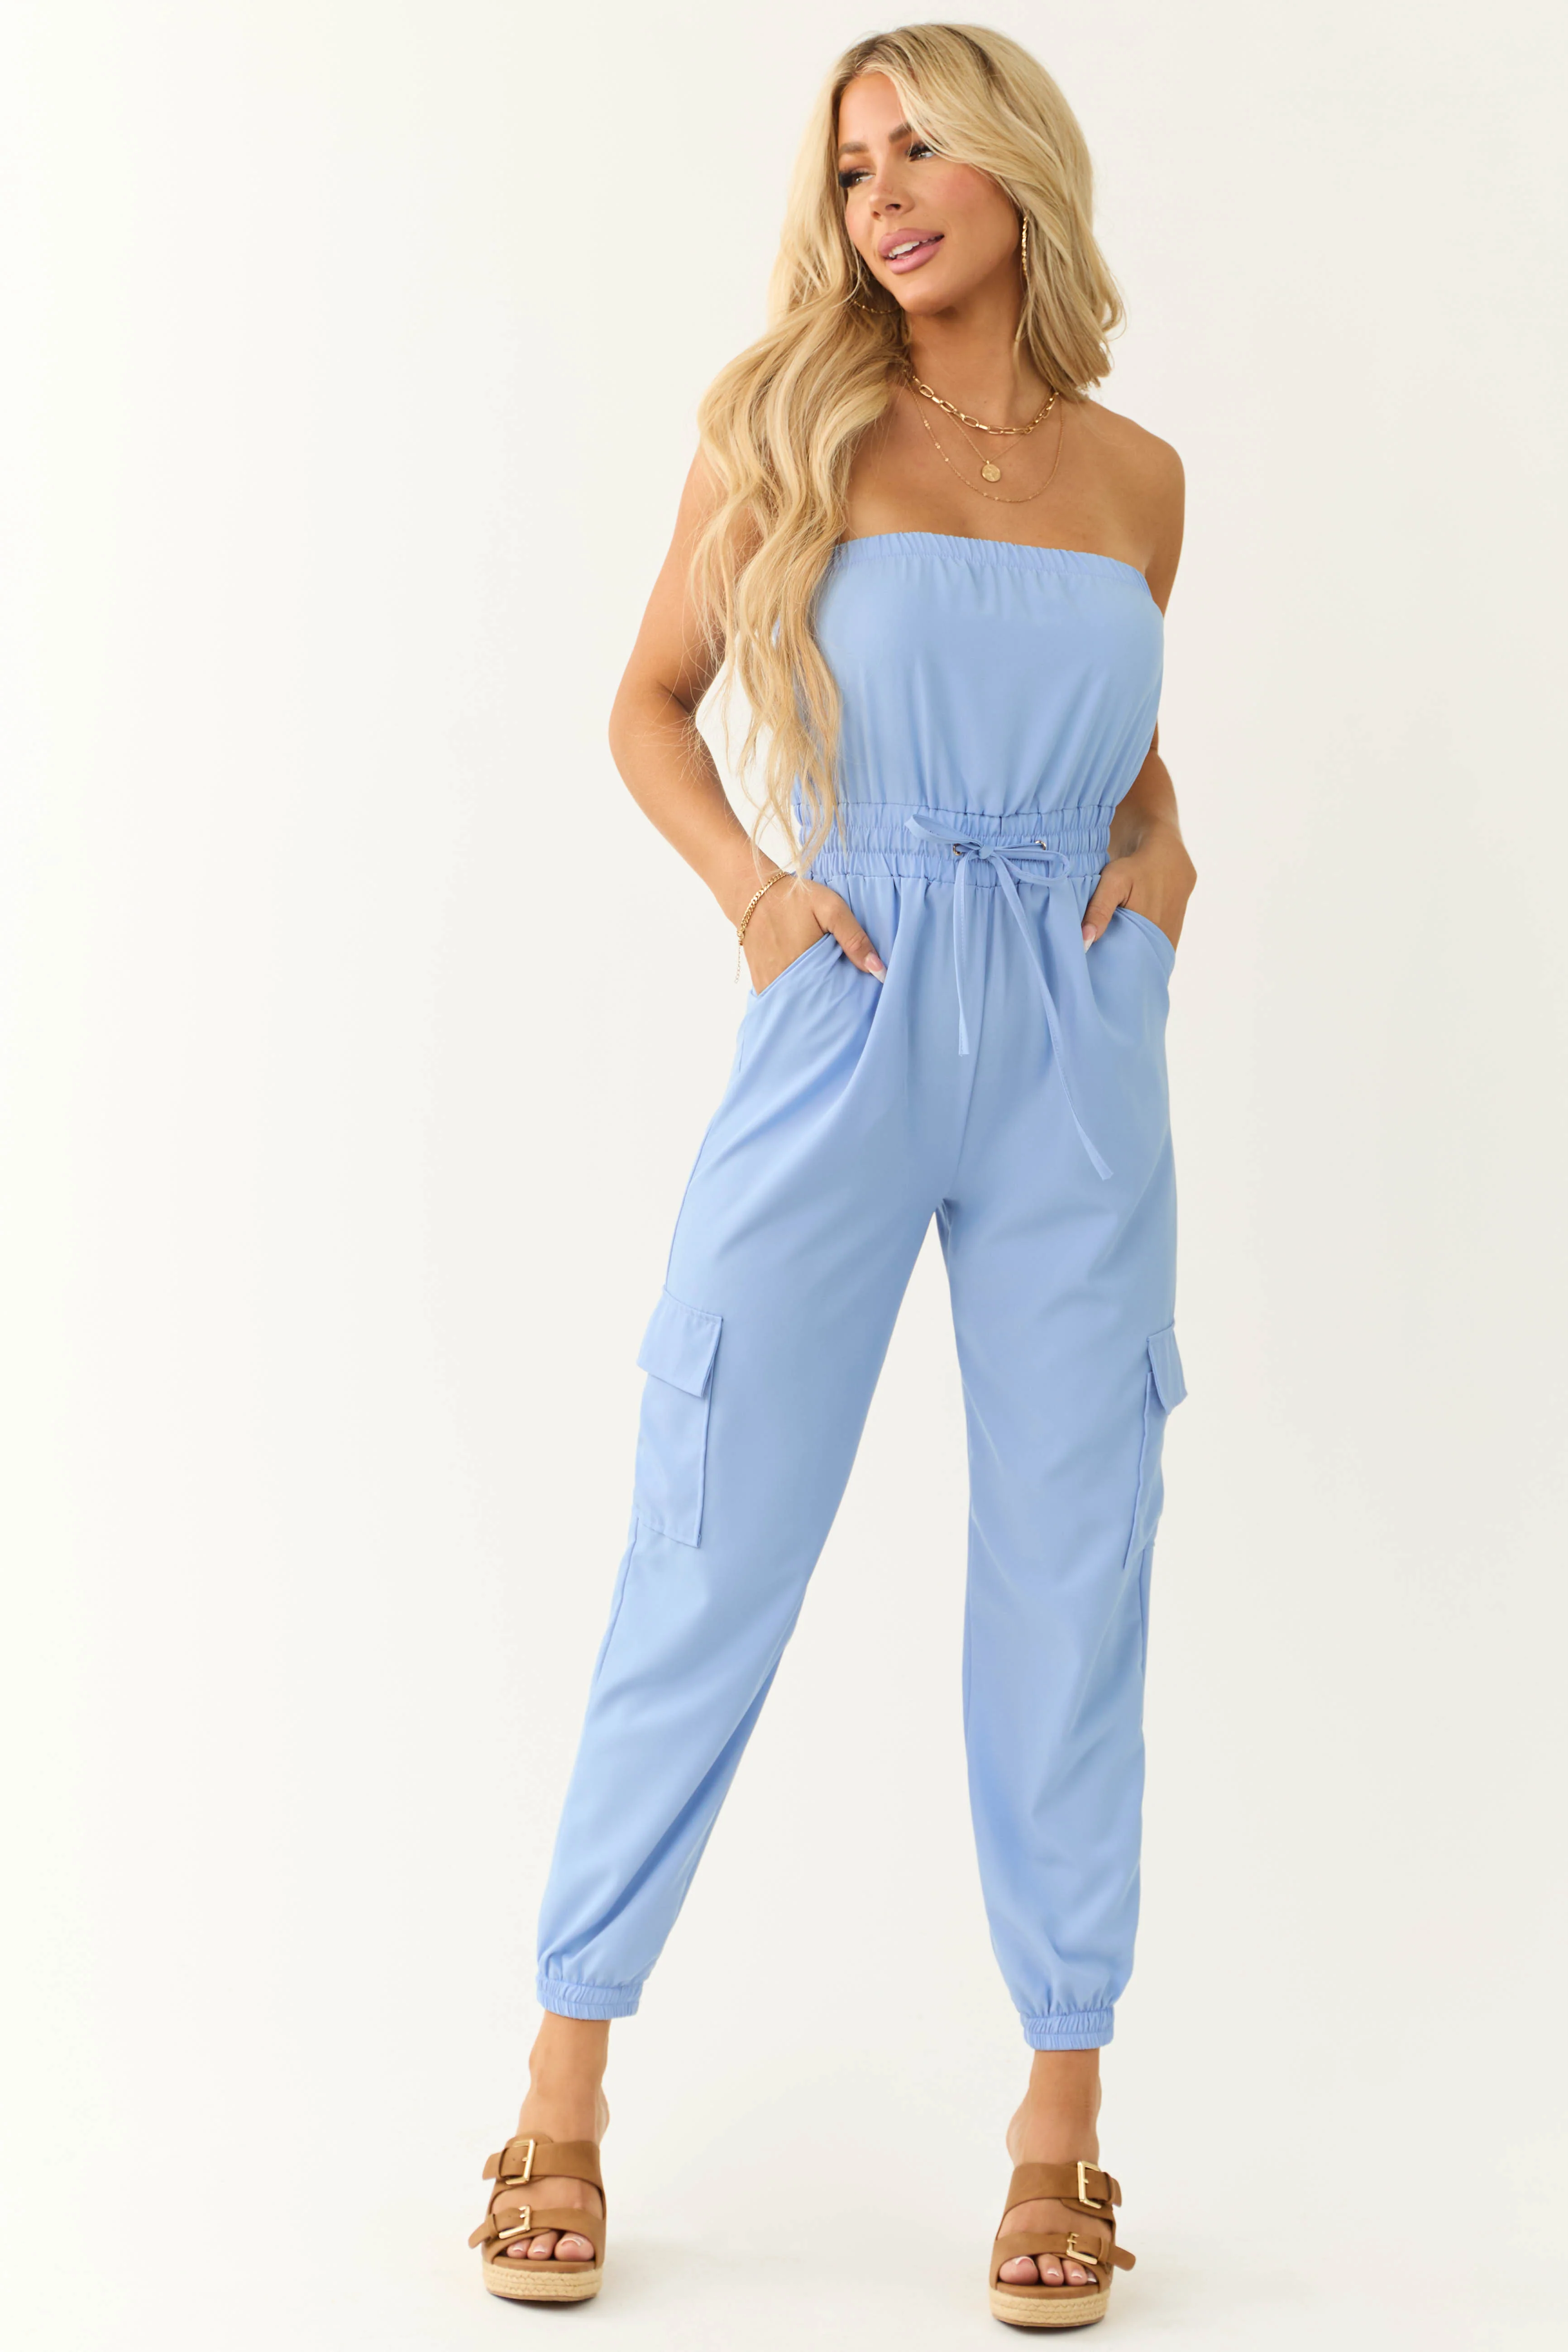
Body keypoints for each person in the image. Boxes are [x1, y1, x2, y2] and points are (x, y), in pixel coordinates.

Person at [468, 22, 1195, 2328]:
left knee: (1073, 1560)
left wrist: (1162, 863)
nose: (882, 194)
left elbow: (1125, 744)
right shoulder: (782, 423)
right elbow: (646, 700)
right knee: (712, 1533)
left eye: (921, 151)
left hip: (1073, 1046)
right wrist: (759, 897)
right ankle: (560, 2091)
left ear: (1016, 172)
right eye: (852, 160)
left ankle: (1057, 2134)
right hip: (851, 994)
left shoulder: (1138, 473)